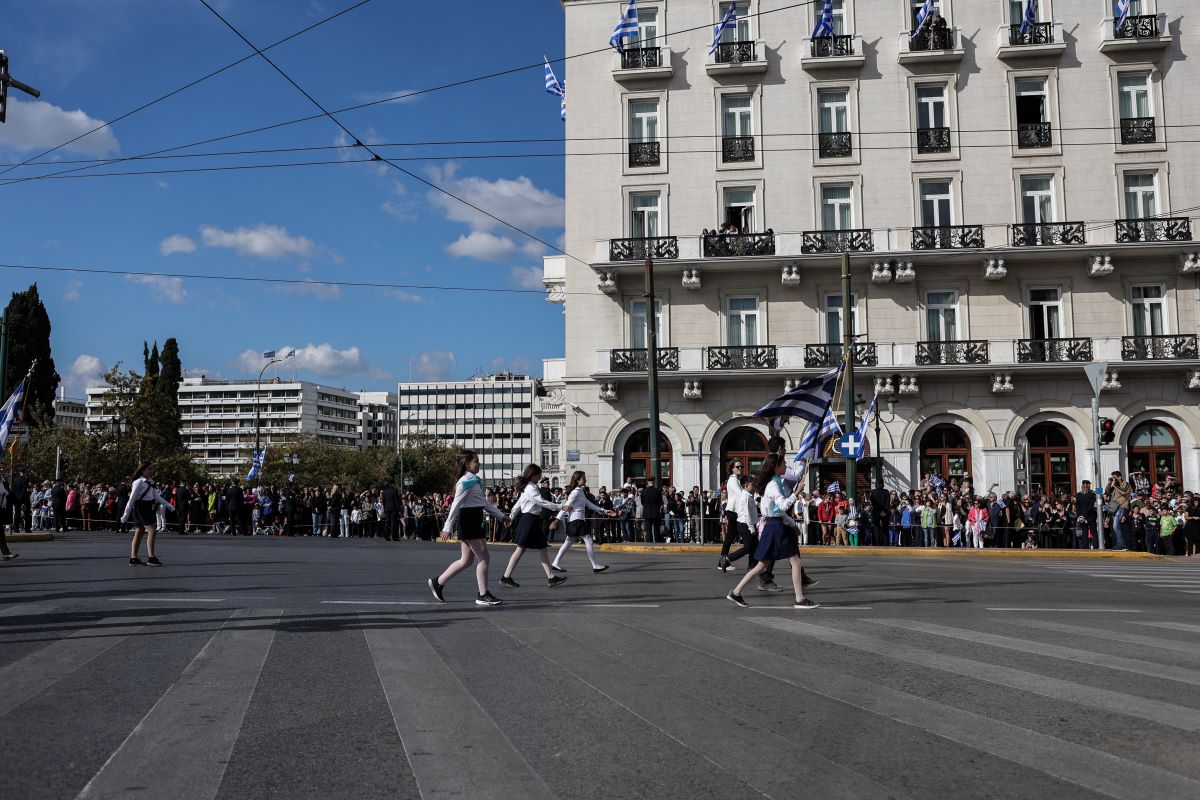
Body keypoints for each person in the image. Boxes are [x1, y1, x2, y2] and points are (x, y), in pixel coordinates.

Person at [725, 455, 818, 609]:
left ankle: (736, 592)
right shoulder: (773, 485)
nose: (786, 466)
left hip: (774, 525)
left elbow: (776, 511)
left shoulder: (774, 483)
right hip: (775, 527)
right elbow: (781, 506)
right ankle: (799, 599)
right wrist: (796, 493)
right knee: (795, 561)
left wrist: (791, 522)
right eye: (784, 464)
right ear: (777, 466)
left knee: (761, 566)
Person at [429, 451, 508, 606]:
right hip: (469, 521)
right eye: (476, 461)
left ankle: (438, 582)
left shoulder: (473, 481)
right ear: (467, 464)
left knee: (466, 560)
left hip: (472, 520)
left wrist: (500, 516)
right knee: (484, 558)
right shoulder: (465, 481)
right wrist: (447, 527)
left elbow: (483, 503)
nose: (479, 464)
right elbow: (455, 505)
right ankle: (483, 594)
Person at [501, 464, 572, 588]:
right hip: (529, 520)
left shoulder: (529, 487)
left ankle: (550, 577)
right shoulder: (531, 488)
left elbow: (518, 504)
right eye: (538, 475)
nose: (540, 477)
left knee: (537, 548)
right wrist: (561, 507)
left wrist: (511, 517)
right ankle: (506, 577)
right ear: (533, 475)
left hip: (530, 520)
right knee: (525, 549)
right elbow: (541, 502)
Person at [552, 471, 617, 573]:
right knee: (588, 541)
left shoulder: (580, 491)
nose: (585, 480)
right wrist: (556, 519)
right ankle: (595, 566)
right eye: (583, 478)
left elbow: (589, 504)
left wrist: (604, 511)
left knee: (568, 542)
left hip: (575, 520)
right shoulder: (576, 492)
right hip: (577, 520)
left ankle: (555, 563)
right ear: (578, 480)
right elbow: (566, 506)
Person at [121, 461, 175, 566]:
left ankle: (133, 558)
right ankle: (151, 557)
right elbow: (132, 499)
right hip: (140, 507)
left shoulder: (150, 481)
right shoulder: (138, 482)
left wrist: (168, 504)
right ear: (143, 470)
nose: (151, 471)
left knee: (140, 531)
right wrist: (126, 513)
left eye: (152, 468)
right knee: (152, 530)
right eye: (149, 469)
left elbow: (156, 497)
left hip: (148, 507)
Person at [718, 460, 745, 571]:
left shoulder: (736, 480)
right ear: (732, 468)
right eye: (738, 467)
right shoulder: (733, 481)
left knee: (730, 537)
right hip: (733, 512)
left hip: (735, 512)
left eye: (741, 467)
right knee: (730, 537)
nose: (740, 468)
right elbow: (742, 494)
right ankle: (722, 562)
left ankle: (723, 562)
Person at [1074, 480, 1097, 550]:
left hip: (1082, 517)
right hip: (1090, 516)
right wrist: (1084, 515)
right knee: (1094, 533)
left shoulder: (1078, 495)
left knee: (1084, 532)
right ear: (1088, 486)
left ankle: (1085, 547)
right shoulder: (1091, 494)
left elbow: (1077, 507)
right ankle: (1095, 546)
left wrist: (1080, 516)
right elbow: (1090, 506)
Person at [640, 477, 664, 543]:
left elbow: (642, 502)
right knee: (656, 528)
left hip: (647, 512)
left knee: (648, 529)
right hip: (655, 512)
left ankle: (649, 541)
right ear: (654, 483)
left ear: (648, 483)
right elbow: (660, 502)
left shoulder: (643, 491)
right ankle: (657, 541)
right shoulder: (658, 491)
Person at [0, 466, 16, 561]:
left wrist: (20, 503)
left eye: (2, 468)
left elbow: (10, 494)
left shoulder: (3, 481)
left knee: (1, 533)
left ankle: (6, 553)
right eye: (0, 468)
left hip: (1, 509)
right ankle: (6, 553)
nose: (2, 469)